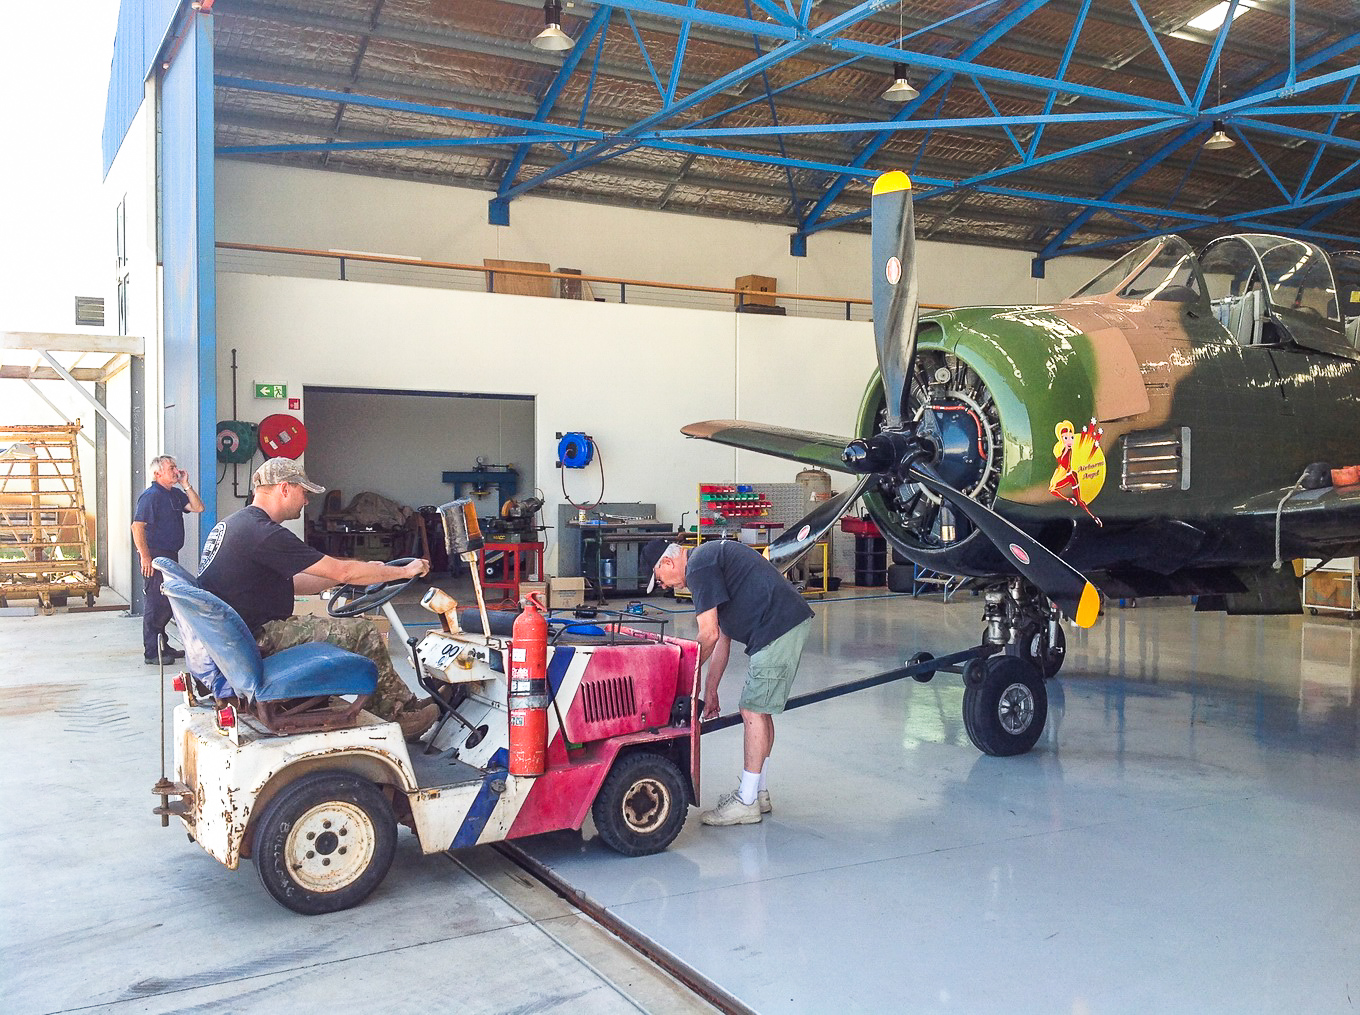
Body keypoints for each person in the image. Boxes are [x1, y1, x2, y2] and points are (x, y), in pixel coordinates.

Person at [197, 458, 438, 740]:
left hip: (237, 640)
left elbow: (297, 582)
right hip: (258, 638)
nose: (307, 501)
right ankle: (398, 715)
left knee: (342, 626)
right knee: (363, 632)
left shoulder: (237, 526)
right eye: (305, 493)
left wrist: (355, 574)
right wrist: (401, 571)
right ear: (285, 489)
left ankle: (404, 704)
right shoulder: (264, 533)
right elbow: (345, 569)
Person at [646, 537, 813, 826]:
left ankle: (746, 802)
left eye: (658, 578)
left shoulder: (699, 567)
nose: (663, 585)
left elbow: (707, 634)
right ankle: (758, 793)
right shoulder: (707, 562)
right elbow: (722, 636)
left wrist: (684, 680)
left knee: (752, 711)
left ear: (669, 562)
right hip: (782, 625)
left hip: (777, 627)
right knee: (759, 711)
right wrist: (709, 690)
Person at [131, 455, 205, 664]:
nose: (176, 470)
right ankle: (152, 652)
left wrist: (186, 485)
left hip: (170, 554)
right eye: (171, 468)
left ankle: (163, 645)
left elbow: (198, 507)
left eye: (175, 467)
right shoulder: (151, 496)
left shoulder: (174, 495)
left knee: (166, 601)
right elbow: (137, 527)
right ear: (157, 473)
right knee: (156, 601)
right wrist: (145, 557)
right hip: (155, 555)